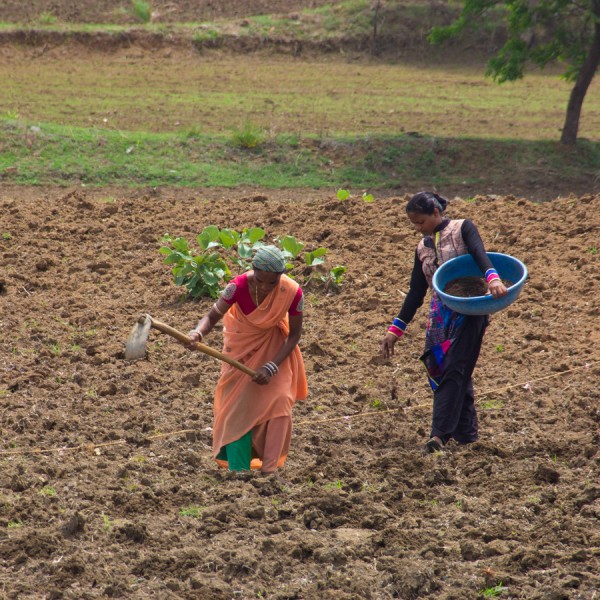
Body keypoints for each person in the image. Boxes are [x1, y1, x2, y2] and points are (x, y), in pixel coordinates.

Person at [381, 191, 507, 453]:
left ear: (436, 213)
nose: (418, 229)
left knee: (455, 368)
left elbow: (480, 254)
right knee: (441, 369)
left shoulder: (462, 228)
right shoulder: (422, 248)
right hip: (440, 317)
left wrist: (493, 277)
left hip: (470, 310)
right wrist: (396, 329)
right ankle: (466, 434)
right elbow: (416, 292)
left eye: (421, 222)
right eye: (413, 224)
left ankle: (439, 436)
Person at [187, 245, 307, 474]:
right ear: (253, 271)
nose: (264, 287)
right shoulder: (238, 286)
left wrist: (272, 366)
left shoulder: (292, 292)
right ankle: (238, 470)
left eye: (272, 283)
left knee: (281, 400)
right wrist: (197, 333)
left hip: (275, 352)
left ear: (280, 277)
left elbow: (294, 335)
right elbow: (212, 316)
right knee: (239, 408)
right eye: (260, 281)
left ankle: (269, 472)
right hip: (240, 353)